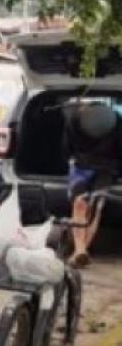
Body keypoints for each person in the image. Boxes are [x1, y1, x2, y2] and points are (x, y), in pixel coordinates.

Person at [64, 100, 121, 267]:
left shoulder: (73, 121)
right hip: (106, 169)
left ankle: (80, 251)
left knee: (80, 204)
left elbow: (66, 149)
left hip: (84, 168)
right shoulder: (116, 119)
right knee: (95, 206)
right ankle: (81, 251)